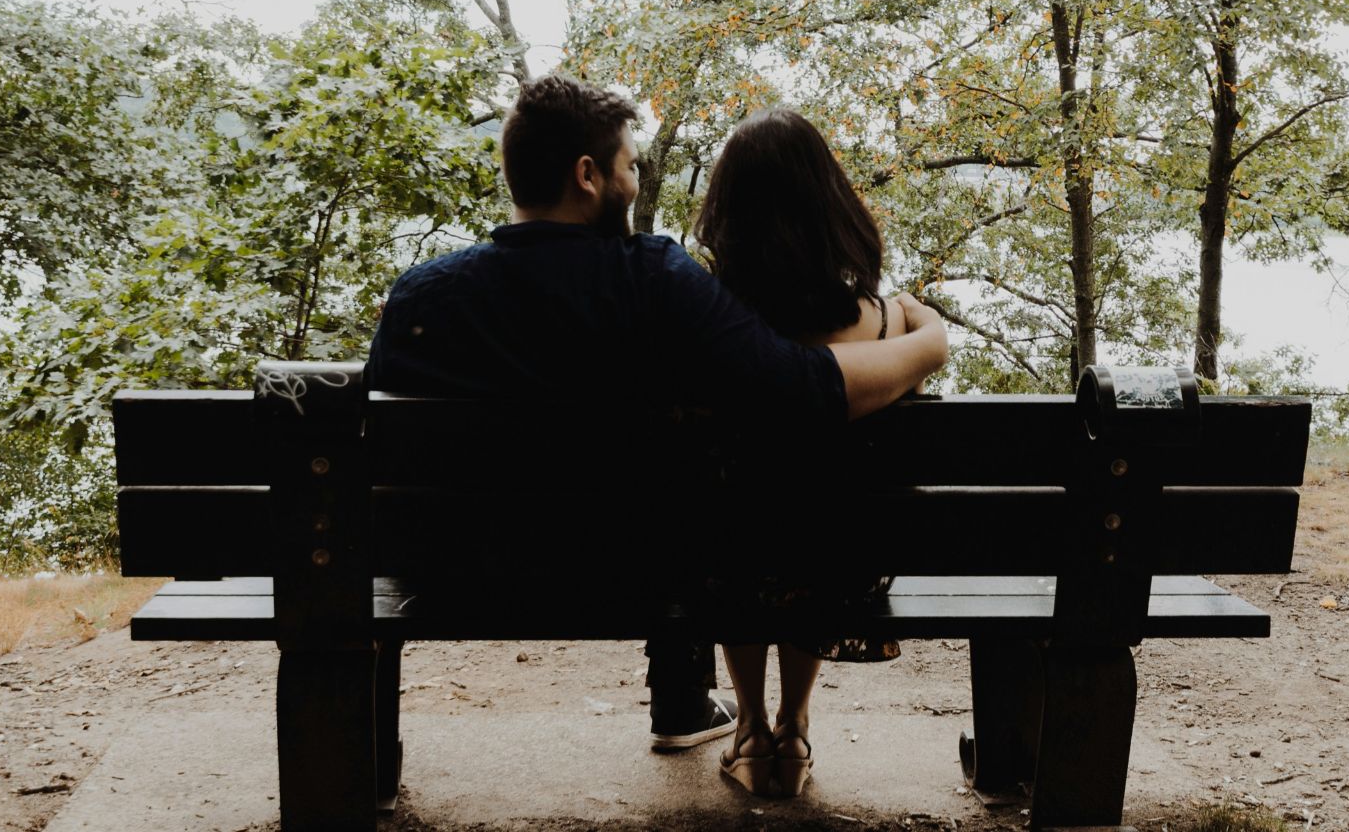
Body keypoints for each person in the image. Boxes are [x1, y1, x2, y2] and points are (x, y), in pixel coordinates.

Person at [365, 74, 947, 756]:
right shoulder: (653, 282)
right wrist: (926, 344)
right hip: (623, 575)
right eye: (629, 165)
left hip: (444, 575)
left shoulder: (420, 298)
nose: (635, 180)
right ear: (588, 176)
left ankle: (368, 758)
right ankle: (687, 701)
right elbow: (798, 388)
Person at [690, 106, 907, 798]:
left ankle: (750, 731)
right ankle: (795, 726)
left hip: (725, 562)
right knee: (815, 526)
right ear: (828, 204)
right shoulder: (877, 322)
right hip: (841, 567)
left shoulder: (709, 322)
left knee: (736, 530)